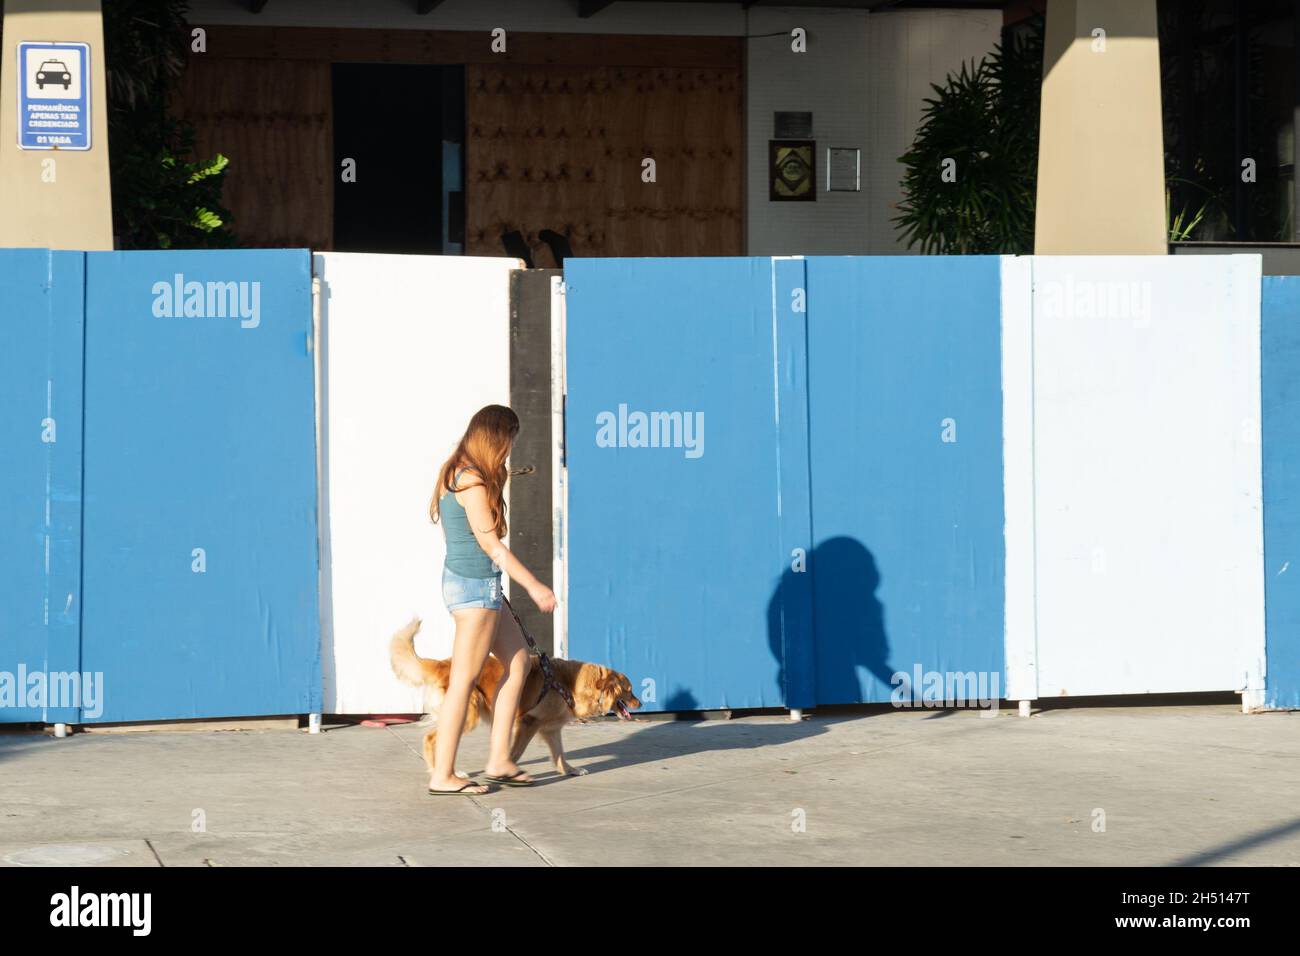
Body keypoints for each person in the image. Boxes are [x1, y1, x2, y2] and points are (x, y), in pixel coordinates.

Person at [427, 404, 556, 794]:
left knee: (517, 664)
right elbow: (492, 546)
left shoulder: (460, 469)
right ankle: (443, 775)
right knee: (464, 681)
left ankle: (499, 759)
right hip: (474, 589)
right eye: (510, 440)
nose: (510, 449)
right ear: (497, 438)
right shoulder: (471, 482)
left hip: (476, 586)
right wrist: (535, 587)